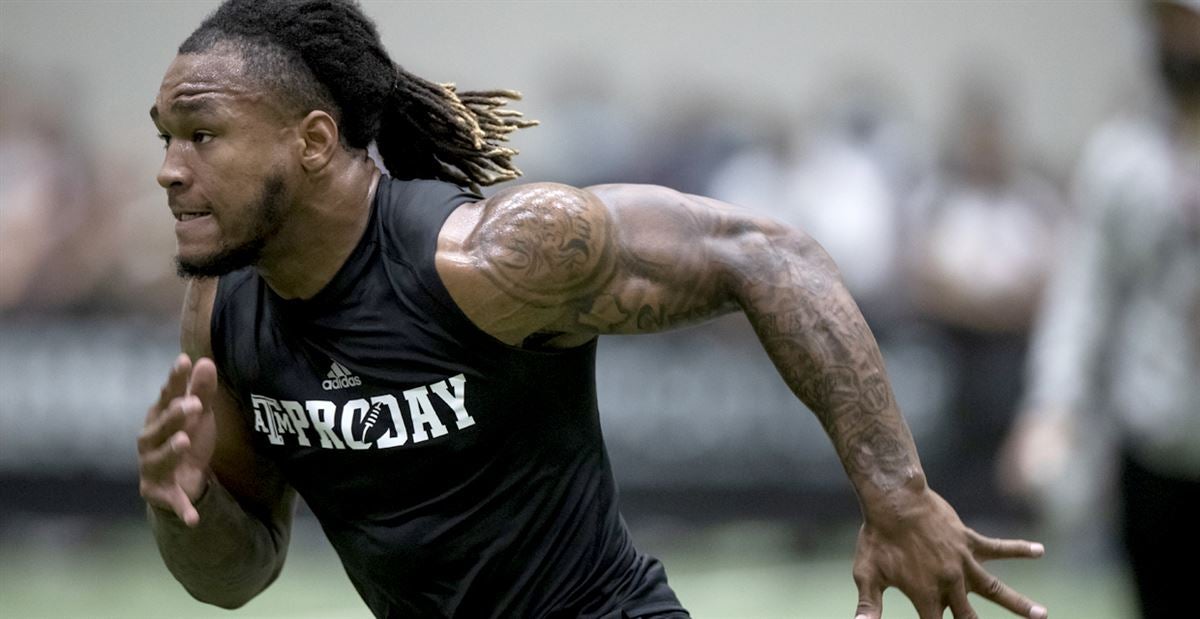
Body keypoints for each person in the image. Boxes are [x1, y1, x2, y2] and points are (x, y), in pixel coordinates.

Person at [137, 1, 1047, 617]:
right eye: (167, 137)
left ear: (314, 141)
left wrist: (896, 496)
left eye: (203, 135)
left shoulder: (487, 256)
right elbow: (239, 573)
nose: (171, 168)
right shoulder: (221, 308)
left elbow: (766, 253)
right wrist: (184, 510)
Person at [1001, 1, 1200, 617]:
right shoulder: (1121, 156)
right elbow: (1081, 296)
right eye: (1162, 23)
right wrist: (1050, 409)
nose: (1173, 38)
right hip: (1157, 435)